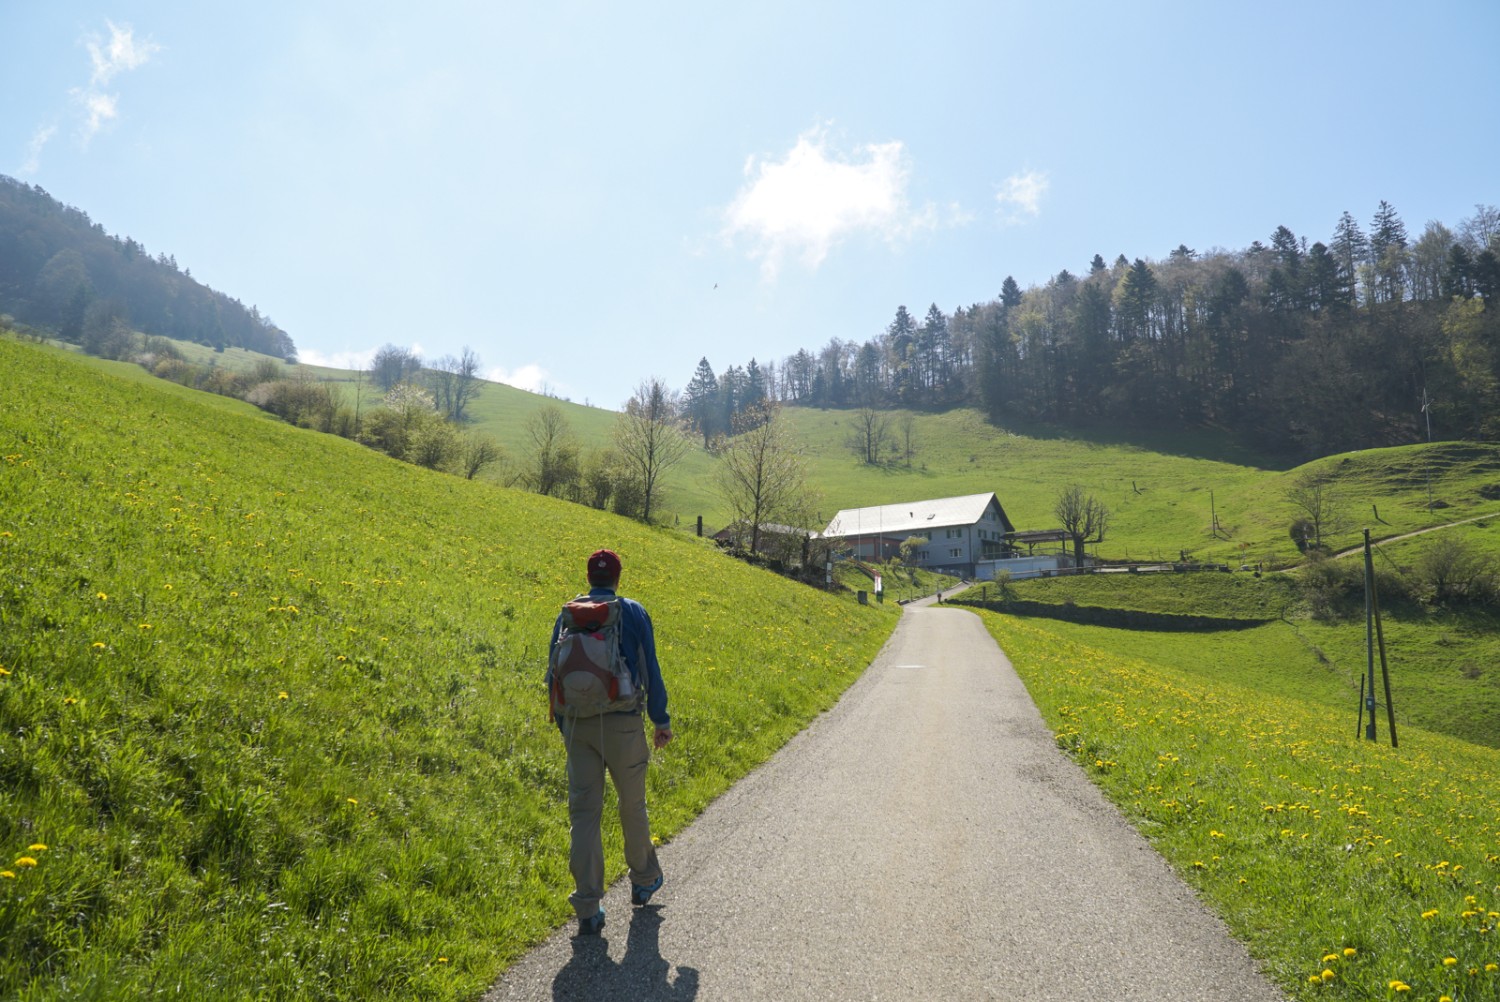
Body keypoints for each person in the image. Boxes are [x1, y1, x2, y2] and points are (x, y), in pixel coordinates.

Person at [547, 548, 673, 936]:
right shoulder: (632, 611)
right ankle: (643, 880)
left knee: (584, 814)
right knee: (631, 805)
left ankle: (588, 905)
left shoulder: (568, 613)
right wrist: (660, 718)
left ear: (589, 576)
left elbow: (552, 670)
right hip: (622, 722)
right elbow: (649, 666)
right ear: (618, 577)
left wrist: (565, 724)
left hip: (578, 726)